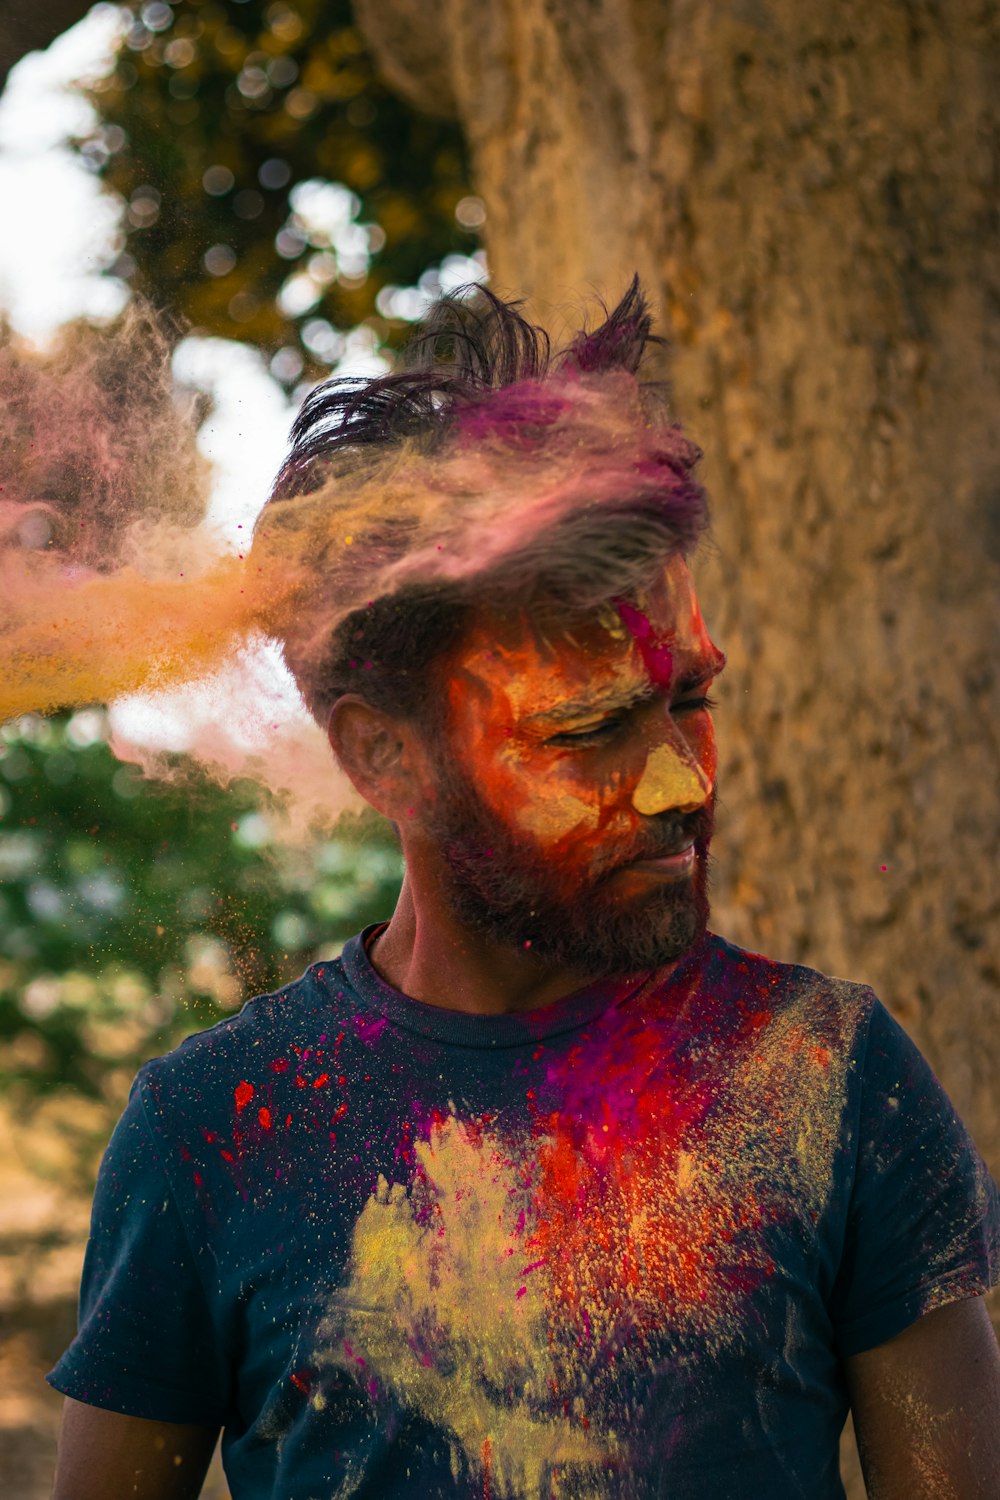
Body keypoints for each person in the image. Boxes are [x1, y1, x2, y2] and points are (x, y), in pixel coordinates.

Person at [49, 282, 1000, 1499]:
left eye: (690, 701)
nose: (676, 783)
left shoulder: (828, 1080)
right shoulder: (215, 1128)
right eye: (587, 728)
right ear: (382, 754)